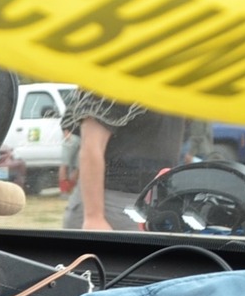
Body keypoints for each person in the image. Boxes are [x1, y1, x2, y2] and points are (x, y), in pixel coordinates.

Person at [61, 91, 185, 230]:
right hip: (112, 204)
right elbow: (91, 147)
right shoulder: (118, 80)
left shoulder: (176, 82)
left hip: (157, 202)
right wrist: (94, 217)